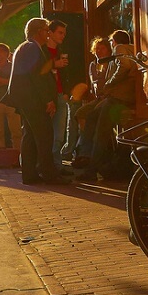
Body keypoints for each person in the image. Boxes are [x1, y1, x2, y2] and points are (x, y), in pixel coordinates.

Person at [8, 17, 65, 184]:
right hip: (33, 100)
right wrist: (48, 99)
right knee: (44, 135)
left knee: (31, 136)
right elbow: (37, 77)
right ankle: (49, 174)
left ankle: (30, 174)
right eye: (47, 31)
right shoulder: (33, 48)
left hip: (26, 99)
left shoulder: (26, 47)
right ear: (39, 31)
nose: (48, 34)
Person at [76, 30, 138, 182]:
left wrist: (110, 83)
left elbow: (125, 66)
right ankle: (86, 156)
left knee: (100, 135)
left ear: (114, 41)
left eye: (111, 42)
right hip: (121, 98)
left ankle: (91, 169)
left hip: (117, 99)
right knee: (91, 117)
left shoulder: (120, 48)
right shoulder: (134, 48)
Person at [70, 37, 113, 165]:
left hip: (109, 98)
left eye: (102, 48)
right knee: (80, 113)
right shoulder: (93, 65)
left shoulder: (112, 63)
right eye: (97, 48)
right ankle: (86, 147)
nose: (99, 51)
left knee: (91, 116)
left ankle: (86, 152)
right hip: (97, 98)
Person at [0, 43, 22, 149]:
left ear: (7, 53)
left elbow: (15, 83)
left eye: (1, 51)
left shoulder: (13, 66)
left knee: (16, 131)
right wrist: (5, 81)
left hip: (11, 101)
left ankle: (18, 153)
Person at [45, 20, 70, 168]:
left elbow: (66, 73)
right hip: (48, 96)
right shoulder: (42, 51)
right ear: (50, 32)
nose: (63, 36)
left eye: (64, 33)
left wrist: (66, 92)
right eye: (60, 32)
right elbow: (38, 72)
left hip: (60, 95)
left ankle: (56, 165)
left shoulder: (62, 51)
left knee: (59, 135)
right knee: (46, 133)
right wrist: (54, 65)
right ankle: (47, 164)